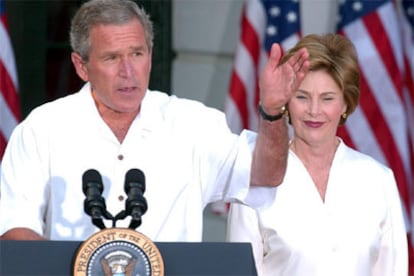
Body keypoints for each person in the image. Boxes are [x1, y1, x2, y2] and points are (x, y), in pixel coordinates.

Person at [0, 0, 309, 241]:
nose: (128, 71)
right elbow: (15, 229)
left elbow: (266, 174)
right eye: (112, 57)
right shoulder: (42, 129)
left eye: (137, 53)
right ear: (81, 66)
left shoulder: (192, 123)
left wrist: (272, 110)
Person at [227, 33, 408, 276]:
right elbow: (239, 271)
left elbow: (393, 270)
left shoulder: (379, 180)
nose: (314, 110)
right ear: (287, 101)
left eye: (327, 98)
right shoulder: (255, 178)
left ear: (345, 104)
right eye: (302, 97)